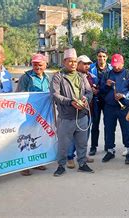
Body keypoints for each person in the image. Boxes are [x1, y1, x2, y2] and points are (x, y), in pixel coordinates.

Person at [50, 48, 94, 176]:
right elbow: (54, 95)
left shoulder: (81, 76)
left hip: (82, 115)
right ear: (64, 62)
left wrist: (86, 99)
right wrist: (70, 102)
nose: (73, 64)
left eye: (75, 61)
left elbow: (89, 91)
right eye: (70, 61)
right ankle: (61, 165)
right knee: (63, 144)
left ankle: (82, 163)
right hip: (66, 116)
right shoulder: (58, 77)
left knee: (82, 142)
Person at [16, 53, 50, 176]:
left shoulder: (47, 78)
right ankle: (24, 164)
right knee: (26, 137)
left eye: (40, 64)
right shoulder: (26, 77)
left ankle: (37, 162)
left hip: (42, 115)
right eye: (34, 64)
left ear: (45, 65)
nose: (37, 67)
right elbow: (19, 95)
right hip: (28, 114)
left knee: (38, 137)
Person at [100, 54, 129, 164]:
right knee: (109, 129)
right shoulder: (107, 74)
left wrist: (123, 95)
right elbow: (101, 91)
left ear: (123, 63)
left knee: (127, 129)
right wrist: (106, 85)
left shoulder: (128, 74)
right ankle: (110, 150)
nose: (116, 67)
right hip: (109, 107)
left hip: (124, 107)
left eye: (118, 65)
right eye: (114, 65)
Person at [65, 55, 95, 169]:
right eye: (84, 63)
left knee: (84, 135)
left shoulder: (90, 76)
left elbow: (89, 92)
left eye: (88, 64)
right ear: (77, 64)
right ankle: (70, 157)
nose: (87, 66)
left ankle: (82, 156)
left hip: (87, 110)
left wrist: (88, 96)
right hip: (72, 111)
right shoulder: (69, 76)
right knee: (72, 136)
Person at [88, 48, 112, 156]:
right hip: (95, 99)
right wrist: (90, 88)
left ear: (106, 57)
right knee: (95, 123)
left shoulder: (111, 68)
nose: (101, 58)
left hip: (107, 99)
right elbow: (86, 80)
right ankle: (93, 146)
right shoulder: (91, 68)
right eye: (99, 56)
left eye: (103, 56)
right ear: (96, 57)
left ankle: (108, 145)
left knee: (108, 124)